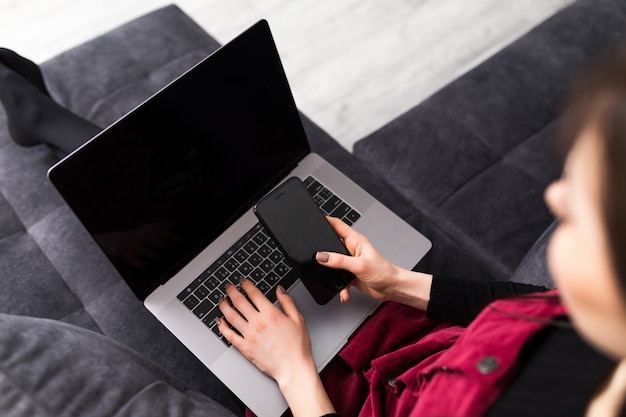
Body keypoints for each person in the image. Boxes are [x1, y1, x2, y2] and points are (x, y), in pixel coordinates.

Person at [0, 47, 625, 417]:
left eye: (585, 205)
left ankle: (47, 121)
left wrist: (294, 372)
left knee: (181, 247)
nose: (555, 195)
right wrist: (403, 284)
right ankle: (49, 121)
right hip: (410, 332)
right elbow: (540, 309)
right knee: (231, 192)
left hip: (328, 396)